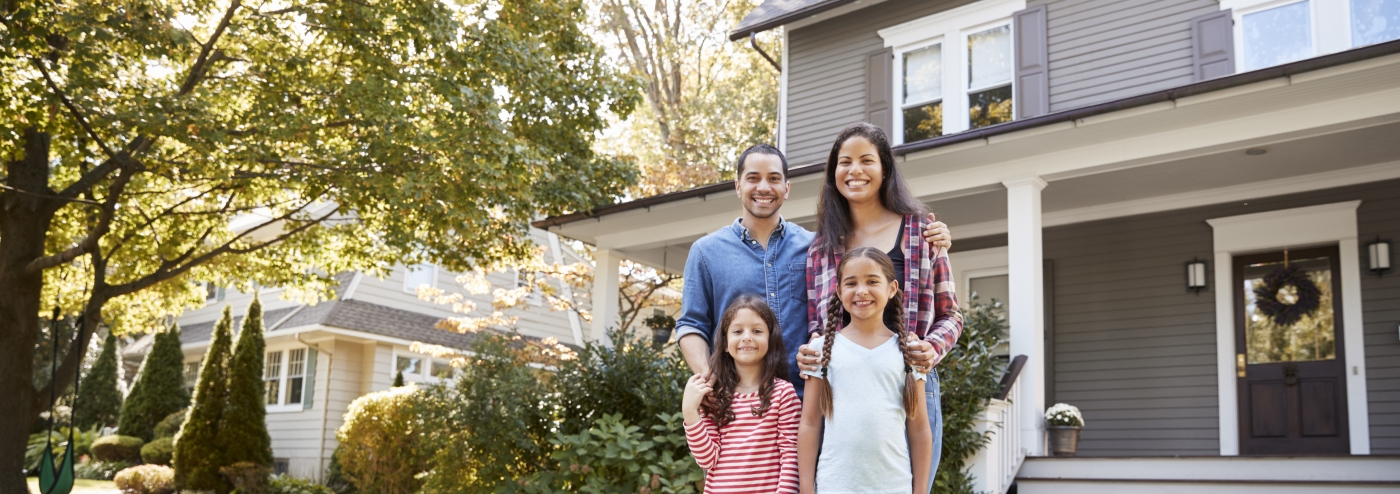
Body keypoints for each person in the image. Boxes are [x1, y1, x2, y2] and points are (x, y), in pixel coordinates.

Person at [675, 143, 953, 396]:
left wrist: (932, 236)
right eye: (752, 178)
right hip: (737, 399)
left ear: (786, 188)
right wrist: (708, 379)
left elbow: (857, 284)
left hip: (808, 396)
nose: (763, 187)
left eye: (773, 179)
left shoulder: (818, 246)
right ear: (738, 186)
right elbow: (691, 325)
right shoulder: (706, 252)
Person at [798, 122, 963, 489]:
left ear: (885, 169)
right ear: (833, 173)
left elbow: (951, 314)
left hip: (909, 383)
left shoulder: (922, 232)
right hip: (842, 391)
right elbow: (818, 326)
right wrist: (808, 355)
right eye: (844, 162)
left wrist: (928, 350)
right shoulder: (820, 249)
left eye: (866, 160)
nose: (855, 171)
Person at [797, 247, 932, 494]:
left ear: (892, 289)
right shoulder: (820, 350)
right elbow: (810, 423)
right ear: (838, 291)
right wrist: (806, 488)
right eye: (851, 283)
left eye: (872, 281)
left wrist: (920, 490)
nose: (861, 291)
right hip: (834, 486)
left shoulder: (910, 351)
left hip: (894, 486)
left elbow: (920, 427)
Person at [683, 294, 800, 493]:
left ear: (770, 341)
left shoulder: (783, 394)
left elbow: (791, 458)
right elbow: (707, 460)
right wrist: (689, 412)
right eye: (737, 331)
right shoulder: (715, 397)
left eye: (756, 330)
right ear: (726, 344)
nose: (747, 336)